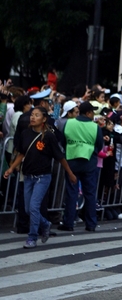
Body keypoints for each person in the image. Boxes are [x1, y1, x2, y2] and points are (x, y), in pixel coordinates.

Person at [4, 106, 76, 248]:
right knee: (27, 209)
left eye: (37, 115)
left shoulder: (49, 136)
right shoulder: (25, 133)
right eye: (32, 114)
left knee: (34, 207)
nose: (33, 117)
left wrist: (70, 173)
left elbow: (60, 157)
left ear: (44, 119)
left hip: (42, 177)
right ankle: (45, 223)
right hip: (28, 176)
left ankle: (32, 237)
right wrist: (11, 168)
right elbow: (21, 153)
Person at [59, 101, 103, 232]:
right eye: (92, 112)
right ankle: (91, 224)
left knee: (71, 193)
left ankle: (68, 223)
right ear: (88, 113)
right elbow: (99, 144)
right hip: (89, 162)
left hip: (71, 161)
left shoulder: (69, 123)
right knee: (89, 193)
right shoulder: (95, 127)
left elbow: (63, 141)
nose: (93, 114)